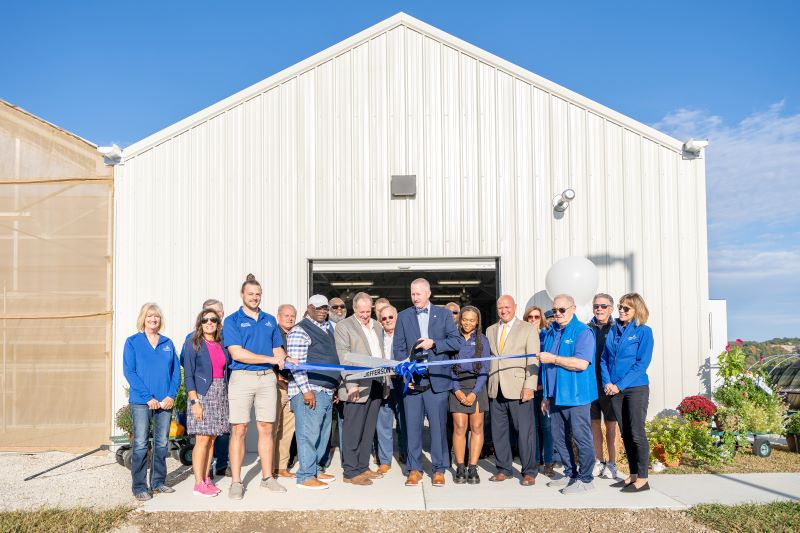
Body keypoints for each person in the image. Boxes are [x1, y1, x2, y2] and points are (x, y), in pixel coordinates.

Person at [222, 274, 292, 499]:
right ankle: (236, 481)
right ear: (242, 295)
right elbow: (237, 353)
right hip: (242, 378)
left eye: (258, 294)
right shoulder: (232, 320)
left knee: (266, 428)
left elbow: (277, 350)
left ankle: (267, 478)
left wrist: (287, 359)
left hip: (266, 380)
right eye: (250, 294)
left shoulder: (270, 319)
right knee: (239, 429)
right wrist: (272, 360)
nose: (255, 297)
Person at [393, 278, 461, 487]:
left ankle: (439, 469)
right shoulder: (403, 317)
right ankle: (414, 469)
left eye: (418, 294)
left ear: (428, 293)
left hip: (437, 382)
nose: (415, 298)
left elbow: (456, 342)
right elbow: (398, 349)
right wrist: (406, 376)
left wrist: (435, 343)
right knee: (412, 428)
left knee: (438, 428)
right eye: (412, 294)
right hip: (413, 383)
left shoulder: (443, 314)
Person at [539, 294, 598, 495]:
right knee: (558, 436)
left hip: (576, 395)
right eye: (555, 310)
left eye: (562, 310)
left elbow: (581, 363)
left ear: (573, 309)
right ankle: (570, 473)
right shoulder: (551, 333)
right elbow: (545, 368)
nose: (558, 314)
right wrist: (546, 395)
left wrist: (554, 358)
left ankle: (586, 478)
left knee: (581, 437)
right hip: (555, 395)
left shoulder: (583, 332)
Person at [122, 303, 180, 501]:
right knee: (139, 444)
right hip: (141, 402)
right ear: (143, 319)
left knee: (162, 443)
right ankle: (139, 487)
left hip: (165, 403)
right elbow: (130, 372)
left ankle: (158, 482)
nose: (153, 319)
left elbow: (175, 374)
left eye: (156, 316)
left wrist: (171, 396)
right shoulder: (132, 342)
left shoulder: (167, 343)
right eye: (149, 316)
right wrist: (148, 398)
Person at [601, 293, 654, 493]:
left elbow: (642, 364)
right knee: (625, 433)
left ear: (636, 311)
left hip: (635, 388)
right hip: (614, 389)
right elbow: (604, 359)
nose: (621, 310)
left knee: (637, 433)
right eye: (620, 307)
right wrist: (607, 382)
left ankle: (643, 479)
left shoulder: (644, 332)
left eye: (626, 308)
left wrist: (619, 385)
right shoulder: (613, 331)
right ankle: (632, 475)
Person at [287, 295, 340, 490]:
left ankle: (316, 469)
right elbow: (296, 364)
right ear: (309, 307)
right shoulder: (299, 330)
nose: (322, 311)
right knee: (308, 434)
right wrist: (306, 390)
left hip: (326, 389)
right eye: (318, 308)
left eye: (325, 308)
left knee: (322, 434)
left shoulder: (328, 328)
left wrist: (334, 386)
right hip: (310, 390)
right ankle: (305, 476)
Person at [486, 295, 540, 486]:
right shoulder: (490, 330)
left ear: (515, 307)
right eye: (500, 307)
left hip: (519, 389)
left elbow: (533, 359)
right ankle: (504, 469)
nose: (504, 310)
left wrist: (530, 386)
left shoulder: (528, 329)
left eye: (507, 307)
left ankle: (529, 471)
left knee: (524, 432)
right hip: (496, 388)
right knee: (499, 432)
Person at [335, 292, 388, 486]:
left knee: (368, 429)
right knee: (352, 429)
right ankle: (350, 471)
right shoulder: (344, 326)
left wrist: (386, 382)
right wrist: (351, 384)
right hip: (356, 385)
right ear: (354, 309)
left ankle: (363, 466)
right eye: (361, 311)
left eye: (368, 311)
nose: (365, 315)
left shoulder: (378, 326)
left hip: (376, 382)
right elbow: (344, 356)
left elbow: (382, 355)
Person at [182, 308, 231, 497]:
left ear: (218, 324)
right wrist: (194, 402)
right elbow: (188, 376)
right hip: (202, 394)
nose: (209, 323)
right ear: (199, 324)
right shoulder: (192, 344)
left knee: (211, 439)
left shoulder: (221, 344)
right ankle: (198, 483)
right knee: (202, 439)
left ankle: (207, 478)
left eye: (213, 320)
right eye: (205, 320)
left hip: (219, 393)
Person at [450, 306, 489, 485]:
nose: (468, 323)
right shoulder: (453, 339)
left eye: (472, 320)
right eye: (465, 319)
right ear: (460, 320)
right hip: (457, 385)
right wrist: (457, 390)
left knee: (477, 426)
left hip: (477, 387)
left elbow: (485, 369)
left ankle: (472, 467)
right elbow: (448, 367)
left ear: (477, 322)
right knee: (459, 426)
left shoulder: (483, 340)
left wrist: (474, 393)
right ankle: (460, 466)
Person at [587, 293, 619, 480]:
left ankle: (612, 463)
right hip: (591, 385)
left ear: (611, 309)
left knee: (611, 425)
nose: (599, 309)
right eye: (596, 306)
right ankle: (598, 461)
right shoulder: (587, 328)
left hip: (609, 385)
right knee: (594, 425)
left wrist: (615, 383)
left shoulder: (617, 329)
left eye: (603, 306)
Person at [524, 305, 555, 476]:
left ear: (541, 319)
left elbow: (548, 364)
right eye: (530, 317)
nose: (534, 320)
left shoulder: (547, 336)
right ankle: (535, 460)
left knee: (547, 426)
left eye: (537, 317)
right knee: (533, 427)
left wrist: (543, 384)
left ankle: (549, 461)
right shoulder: (523, 336)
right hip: (529, 388)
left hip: (544, 389)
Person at [375, 304, 406, 471]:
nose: (387, 320)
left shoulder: (404, 335)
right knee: (383, 424)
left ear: (396, 317)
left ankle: (405, 453)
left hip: (401, 382)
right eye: (383, 318)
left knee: (404, 422)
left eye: (390, 317)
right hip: (383, 383)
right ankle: (385, 461)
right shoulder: (377, 336)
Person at [274, 303, 298, 479]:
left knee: (288, 429)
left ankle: (281, 466)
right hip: (276, 386)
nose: (290, 318)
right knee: (273, 428)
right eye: (286, 315)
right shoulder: (272, 334)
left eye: (292, 316)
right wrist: (277, 378)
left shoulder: (297, 334)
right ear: (278, 317)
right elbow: (266, 357)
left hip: (294, 386)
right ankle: (270, 466)